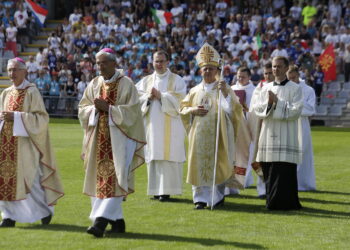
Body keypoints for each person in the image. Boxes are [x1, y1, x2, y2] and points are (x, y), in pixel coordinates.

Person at [78, 48, 146, 237]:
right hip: (98, 140)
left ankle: (100, 222)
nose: (100, 66)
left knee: (115, 179)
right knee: (98, 179)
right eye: (98, 63)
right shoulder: (94, 83)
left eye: (104, 62)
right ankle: (117, 222)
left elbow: (133, 113)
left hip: (120, 141)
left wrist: (109, 109)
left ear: (114, 63)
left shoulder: (126, 84)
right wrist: (94, 110)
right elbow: (82, 108)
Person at [180, 43, 246, 209]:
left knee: (218, 163)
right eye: (205, 69)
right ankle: (200, 199)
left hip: (219, 133)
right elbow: (182, 109)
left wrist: (225, 94)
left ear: (217, 70)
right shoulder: (194, 90)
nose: (207, 71)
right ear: (200, 71)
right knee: (198, 165)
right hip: (199, 135)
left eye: (211, 68)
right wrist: (193, 110)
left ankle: (216, 198)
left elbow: (234, 110)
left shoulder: (223, 88)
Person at [0, 57, 64, 227]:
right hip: (6, 145)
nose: (11, 74)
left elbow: (41, 119)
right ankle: (8, 216)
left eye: (15, 70)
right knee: (4, 180)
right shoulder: (6, 93)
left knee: (32, 181)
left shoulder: (31, 91)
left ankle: (45, 211)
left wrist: (16, 117)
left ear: (24, 71)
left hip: (26, 145)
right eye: (9, 70)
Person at [251, 56, 303, 210]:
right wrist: (269, 103)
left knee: (284, 170)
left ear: (287, 68)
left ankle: (287, 203)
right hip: (268, 134)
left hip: (287, 136)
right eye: (274, 66)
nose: (276, 69)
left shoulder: (295, 88)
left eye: (279, 66)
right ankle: (271, 202)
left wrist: (277, 103)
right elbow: (257, 109)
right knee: (269, 169)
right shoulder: (265, 88)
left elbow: (295, 111)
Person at [136, 51, 186, 202]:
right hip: (151, 127)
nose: (159, 64)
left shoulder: (177, 80)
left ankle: (167, 192)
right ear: (152, 62)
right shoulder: (145, 81)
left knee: (168, 159)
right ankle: (156, 191)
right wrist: (148, 98)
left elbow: (182, 101)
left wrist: (162, 96)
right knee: (154, 157)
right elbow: (135, 99)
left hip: (171, 127)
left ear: (168, 62)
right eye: (156, 61)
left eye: (162, 61)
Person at [231, 66, 265, 198]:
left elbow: (258, 109)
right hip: (236, 129)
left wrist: (247, 109)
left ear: (249, 77)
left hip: (251, 129)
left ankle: (262, 189)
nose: (240, 79)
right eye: (238, 76)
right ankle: (233, 187)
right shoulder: (232, 89)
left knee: (255, 159)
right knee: (236, 159)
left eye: (243, 77)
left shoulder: (256, 90)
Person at [287, 65, 316, 191]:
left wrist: (297, 104)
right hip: (288, 124)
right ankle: (290, 182)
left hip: (302, 124)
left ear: (298, 75)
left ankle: (304, 184)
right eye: (289, 78)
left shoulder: (308, 90)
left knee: (303, 153)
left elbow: (311, 109)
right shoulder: (285, 89)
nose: (292, 80)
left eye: (294, 77)